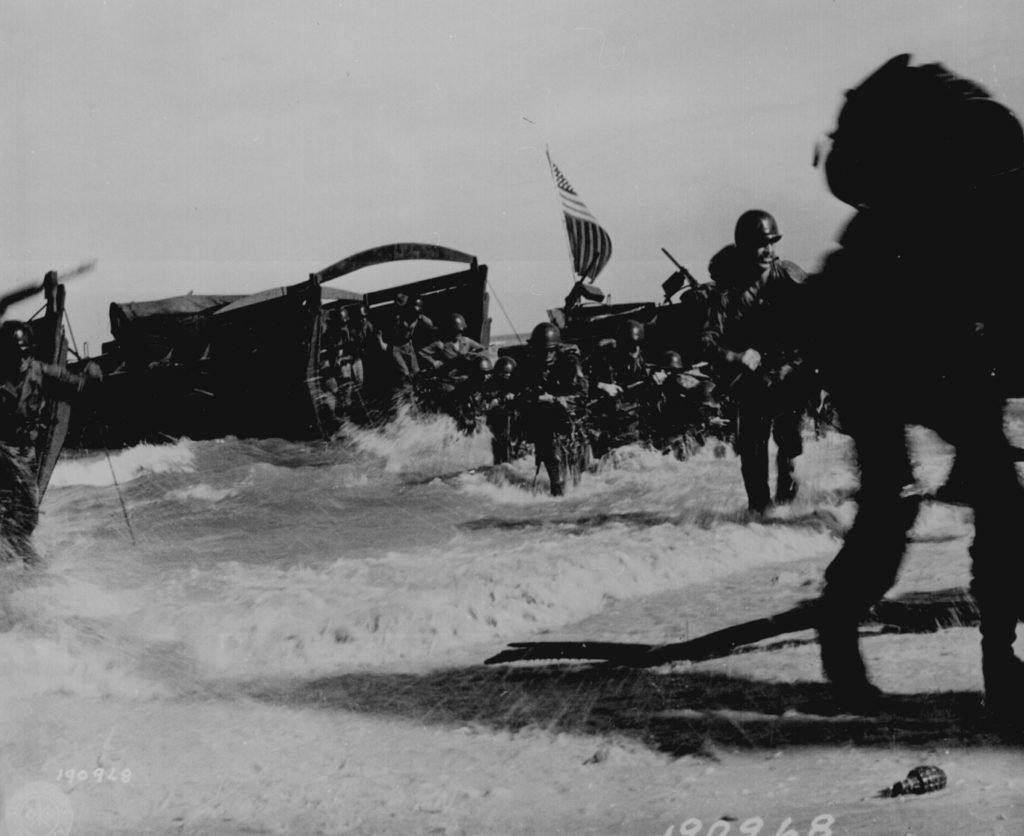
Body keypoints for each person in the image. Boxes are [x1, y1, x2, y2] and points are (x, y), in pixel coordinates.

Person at [803, 54, 1024, 725]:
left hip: (946, 356)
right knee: (891, 502)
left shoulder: (988, 203)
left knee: (1003, 503)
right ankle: (839, 635)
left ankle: (1000, 660)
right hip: (873, 352)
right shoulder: (899, 220)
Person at [701, 210, 809, 515]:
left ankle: (787, 514)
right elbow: (707, 341)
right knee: (753, 449)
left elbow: (815, 321)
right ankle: (760, 514)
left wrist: (800, 364)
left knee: (789, 444)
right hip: (749, 380)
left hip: (787, 372)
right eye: (761, 244)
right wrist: (737, 356)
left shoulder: (788, 277)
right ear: (744, 247)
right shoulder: (726, 291)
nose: (769, 250)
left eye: (772, 243)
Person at [0, 320, 101, 559]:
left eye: (24, 354)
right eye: (15, 355)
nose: (20, 361)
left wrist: (91, 376)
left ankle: (15, 557)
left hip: (25, 453)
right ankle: (25, 560)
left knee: (26, 516)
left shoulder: (39, 372)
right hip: (3, 452)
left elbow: (76, 386)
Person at [515, 322, 589, 496]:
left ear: (557, 349)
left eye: (550, 351)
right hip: (545, 425)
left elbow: (582, 396)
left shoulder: (570, 363)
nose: (547, 355)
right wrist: (533, 398)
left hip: (571, 424)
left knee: (579, 478)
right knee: (556, 476)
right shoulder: (528, 365)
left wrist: (556, 400)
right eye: (543, 351)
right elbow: (519, 393)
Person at [587, 319, 664, 458]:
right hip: (605, 414)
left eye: (636, 347)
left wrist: (656, 380)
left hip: (633, 412)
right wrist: (602, 386)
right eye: (629, 347)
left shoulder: (641, 356)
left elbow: (645, 381)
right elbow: (579, 381)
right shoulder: (604, 356)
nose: (634, 352)